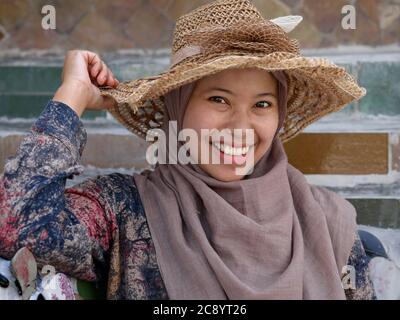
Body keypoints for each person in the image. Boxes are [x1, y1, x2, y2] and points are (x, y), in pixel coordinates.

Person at [0, 0, 375, 299]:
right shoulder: (127, 211)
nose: (241, 127)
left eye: (262, 104)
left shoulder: (325, 222)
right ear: (177, 107)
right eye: (218, 99)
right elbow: (17, 225)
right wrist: (72, 96)